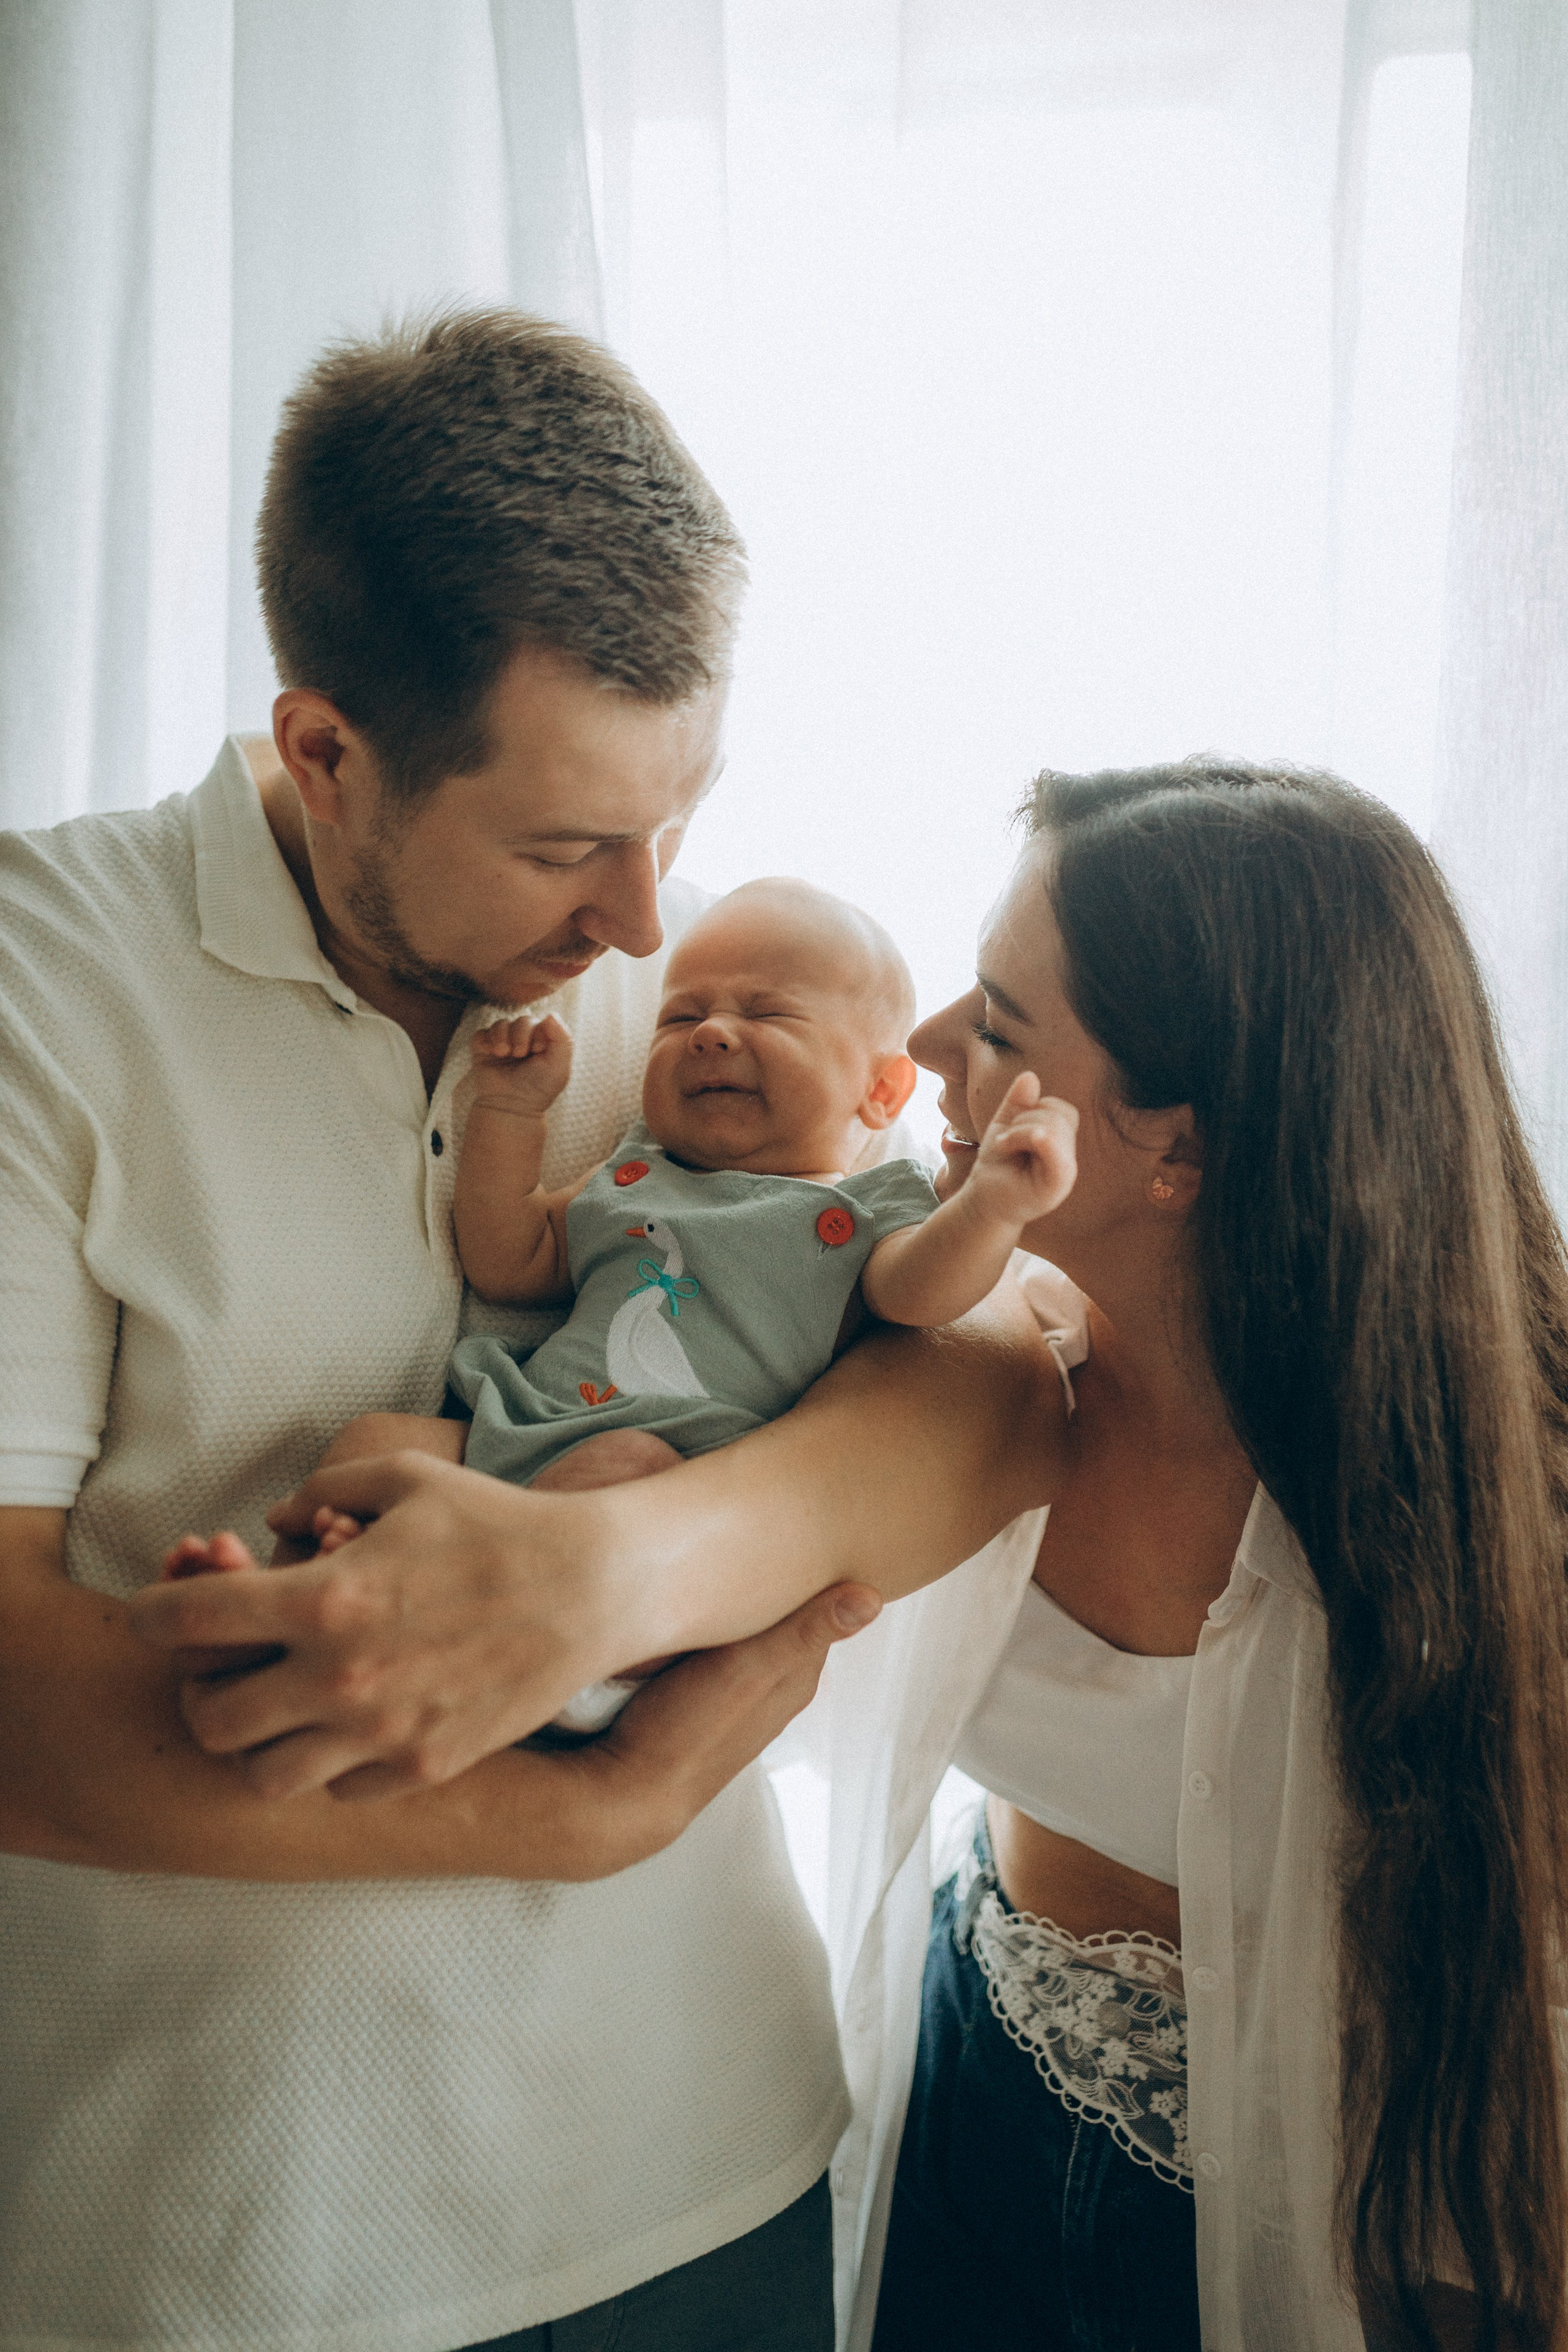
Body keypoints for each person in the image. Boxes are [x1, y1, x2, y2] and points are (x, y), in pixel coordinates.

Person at [173, 762, 1568, 2352]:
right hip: (969, 2078)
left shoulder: (1495, 1506)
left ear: (1173, 1148)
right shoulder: (989, 1365)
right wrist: (548, 1564)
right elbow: (771, 1509)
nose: (916, 1059)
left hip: (1349, 2206)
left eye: (1000, 1027)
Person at [0, 309, 1052, 2352]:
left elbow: (1006, 1396)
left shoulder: (717, 1003)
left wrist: (609, 1575)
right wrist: (588, 1808)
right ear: (326, 750)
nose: (650, 923)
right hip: (216, 2250)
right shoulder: (39, 999)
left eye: (681, 814)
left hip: (704, 2171)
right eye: (569, 845)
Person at [163, 876, 1078, 1744]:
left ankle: (552, 1672)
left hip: (655, 1497)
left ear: (880, 1092)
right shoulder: (636, 1171)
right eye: (682, 1016)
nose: (713, 1033)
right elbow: (508, 1256)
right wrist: (512, 1113)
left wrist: (992, 1208)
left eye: (766, 1014)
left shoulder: (865, 1212)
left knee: (619, 1463)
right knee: (375, 1446)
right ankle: (280, 1616)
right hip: (512, 1435)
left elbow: (925, 1296)